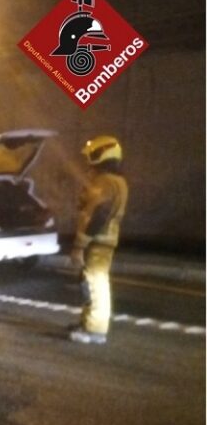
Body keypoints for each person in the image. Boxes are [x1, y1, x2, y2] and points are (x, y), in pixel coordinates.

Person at [68, 135, 129, 344]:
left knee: (96, 284)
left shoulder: (107, 182)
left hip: (97, 241)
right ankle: (87, 323)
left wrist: (80, 243)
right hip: (99, 240)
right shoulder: (113, 181)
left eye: (92, 155)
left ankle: (95, 330)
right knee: (89, 282)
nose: (88, 161)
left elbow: (98, 214)